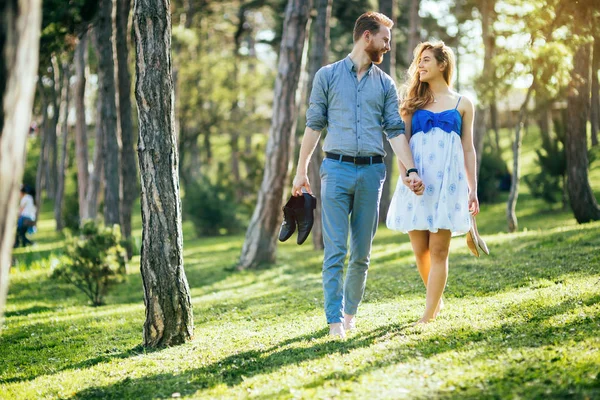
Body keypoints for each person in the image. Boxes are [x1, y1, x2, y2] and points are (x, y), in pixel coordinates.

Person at [292, 12, 424, 339]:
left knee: (361, 254)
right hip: (334, 170)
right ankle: (333, 322)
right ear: (367, 36)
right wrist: (300, 172)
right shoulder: (327, 76)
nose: (388, 46)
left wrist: (410, 169)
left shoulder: (385, 84)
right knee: (335, 249)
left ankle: (349, 315)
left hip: (371, 173)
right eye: (384, 39)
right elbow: (313, 125)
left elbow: (394, 131)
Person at [387, 41, 480, 324]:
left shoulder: (463, 103)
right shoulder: (411, 103)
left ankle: (428, 315)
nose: (420, 65)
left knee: (439, 250)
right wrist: (406, 175)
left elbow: (468, 148)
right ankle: (436, 300)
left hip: (448, 186)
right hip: (418, 183)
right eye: (419, 61)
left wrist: (472, 188)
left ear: (443, 64)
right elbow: (400, 142)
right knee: (421, 251)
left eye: (426, 59)